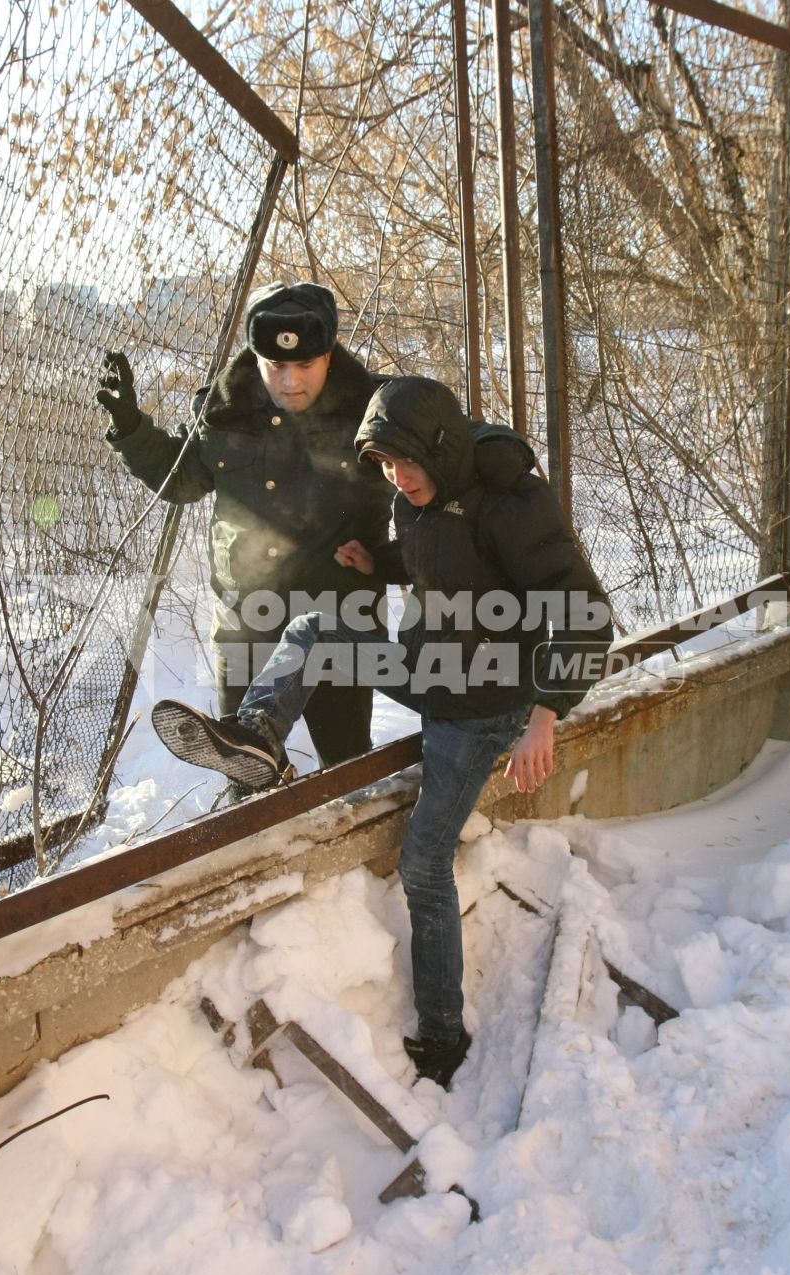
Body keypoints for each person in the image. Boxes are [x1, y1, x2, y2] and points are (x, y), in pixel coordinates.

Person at [152, 376, 613, 1087]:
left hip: (482, 707)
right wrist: (381, 563)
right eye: (387, 466)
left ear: (442, 448)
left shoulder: (514, 507)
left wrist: (545, 714)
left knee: (423, 864)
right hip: (432, 670)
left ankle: (442, 1033)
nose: (399, 478)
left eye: (408, 463)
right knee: (313, 631)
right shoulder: (417, 498)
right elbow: (442, 559)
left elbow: (585, 612)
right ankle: (259, 737)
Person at [98, 281, 390, 769]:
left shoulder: (375, 410)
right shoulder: (224, 410)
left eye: (305, 365)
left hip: (340, 618)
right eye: (276, 366)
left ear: (330, 357)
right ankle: (254, 813)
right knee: (241, 760)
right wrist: (132, 429)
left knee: (346, 762)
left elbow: (435, 470)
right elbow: (184, 480)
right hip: (247, 620)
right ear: (256, 358)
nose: (290, 381)